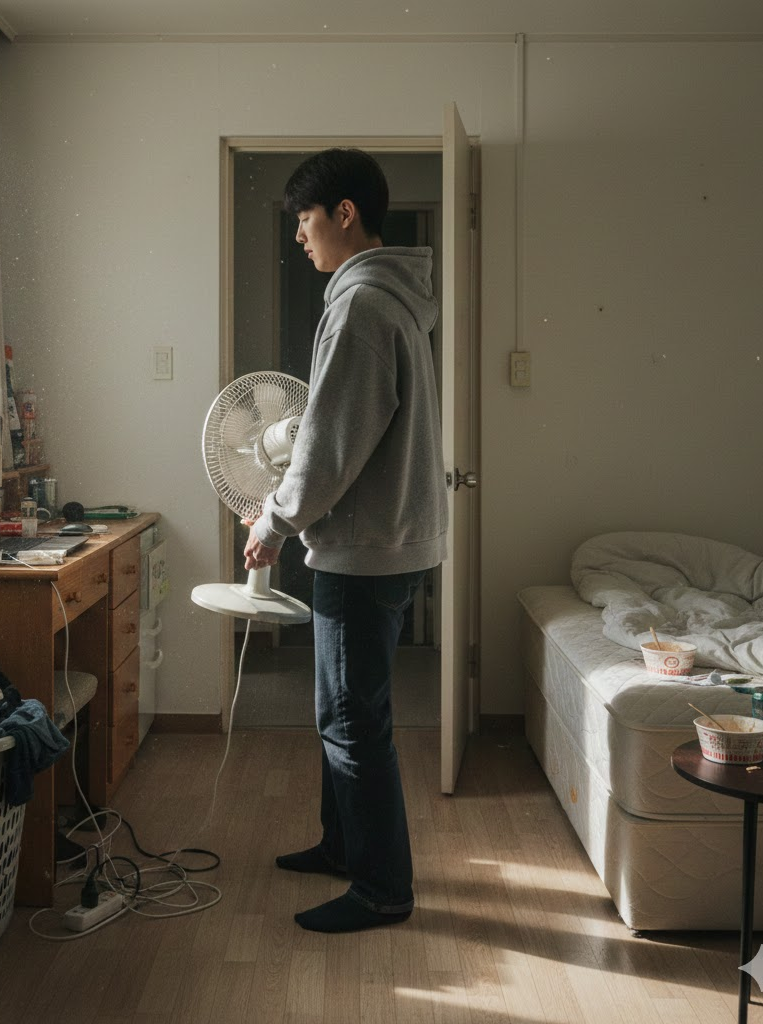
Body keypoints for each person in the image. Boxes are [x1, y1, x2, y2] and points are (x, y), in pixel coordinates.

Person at [245, 148, 449, 933]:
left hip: (365, 552)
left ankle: (381, 890)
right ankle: (342, 847)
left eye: (305, 219)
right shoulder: (391, 298)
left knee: (351, 722)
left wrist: (273, 521)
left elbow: (330, 448)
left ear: (345, 213)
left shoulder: (360, 305)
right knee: (349, 712)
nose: (299, 237)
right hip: (392, 540)